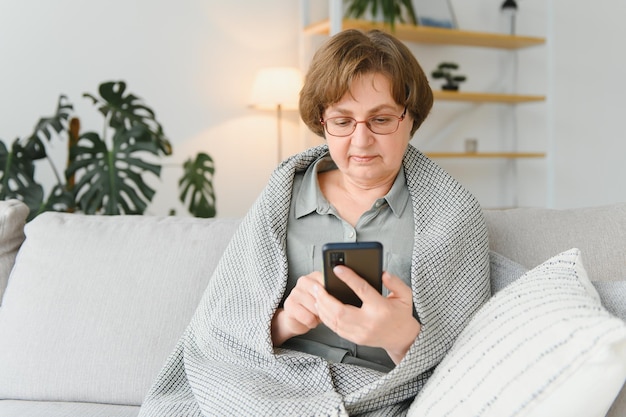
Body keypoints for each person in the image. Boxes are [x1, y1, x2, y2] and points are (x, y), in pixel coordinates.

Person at [139, 29, 490, 417]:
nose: (361, 141)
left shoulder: (453, 213)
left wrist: (401, 338)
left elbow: (471, 362)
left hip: (382, 395)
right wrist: (286, 321)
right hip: (272, 386)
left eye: (381, 119)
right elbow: (222, 328)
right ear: (322, 122)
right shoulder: (283, 195)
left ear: (411, 120)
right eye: (342, 121)